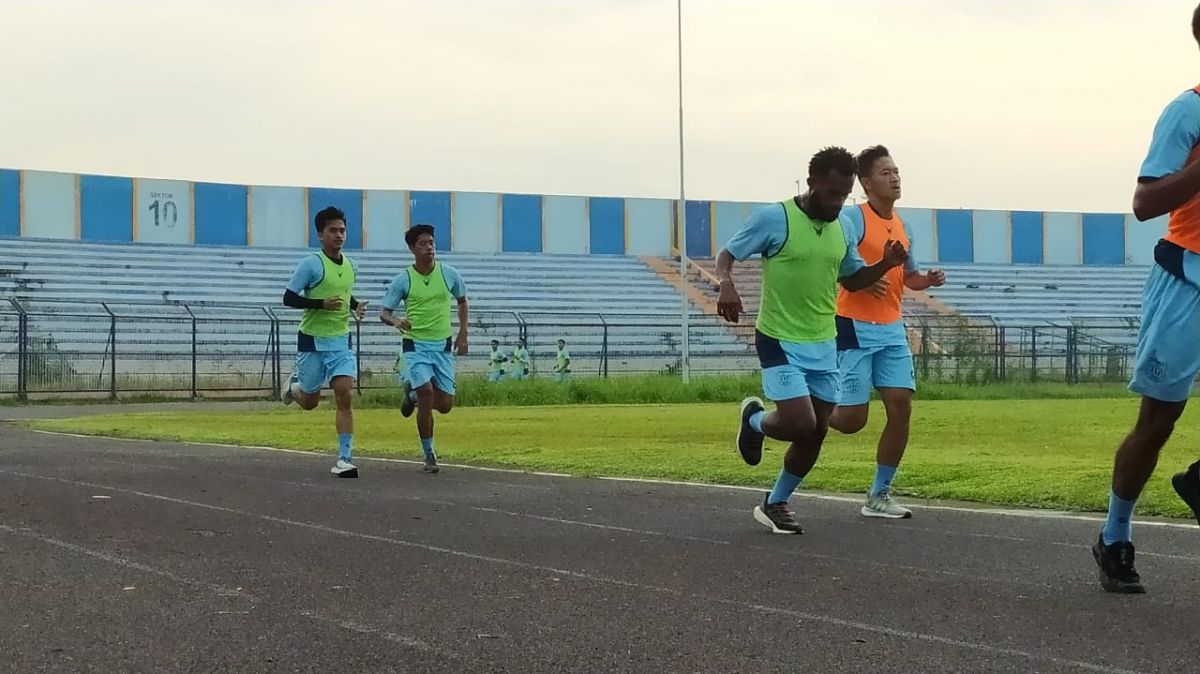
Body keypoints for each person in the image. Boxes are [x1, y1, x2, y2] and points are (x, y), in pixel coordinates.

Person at [716, 147, 908, 535]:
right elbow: (727, 254)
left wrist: (885, 265)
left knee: (818, 430)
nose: (838, 203)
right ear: (812, 184)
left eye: (844, 195)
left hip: (824, 340)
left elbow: (851, 278)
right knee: (800, 422)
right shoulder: (776, 218)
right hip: (780, 338)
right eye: (831, 194)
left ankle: (776, 502)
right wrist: (726, 283)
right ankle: (754, 421)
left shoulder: (841, 228)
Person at [1094, 2, 1200, 594]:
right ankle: (1114, 535)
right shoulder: (1188, 109)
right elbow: (1145, 203)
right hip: (1187, 277)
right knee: (1158, 421)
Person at [828, 145, 946, 519]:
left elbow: (907, 276)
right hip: (853, 325)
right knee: (851, 421)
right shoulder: (851, 219)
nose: (895, 178)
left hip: (891, 326)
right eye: (885, 172)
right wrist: (867, 277)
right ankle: (804, 410)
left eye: (896, 171)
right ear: (865, 183)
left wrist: (926, 279)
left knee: (900, 405)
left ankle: (879, 494)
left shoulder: (903, 225)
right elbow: (839, 267)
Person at [280, 206, 367, 478]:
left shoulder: (351, 265)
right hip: (312, 341)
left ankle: (345, 458)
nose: (339, 235)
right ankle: (293, 388)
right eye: (333, 231)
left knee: (344, 392)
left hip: (340, 339)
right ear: (320, 234)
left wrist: (354, 306)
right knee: (310, 401)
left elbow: (343, 293)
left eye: (342, 230)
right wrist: (320, 304)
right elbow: (289, 298)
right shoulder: (311, 264)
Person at [380, 224, 469, 474]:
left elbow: (462, 301)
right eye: (422, 244)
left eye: (431, 243)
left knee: (445, 404)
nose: (429, 248)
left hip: (442, 347)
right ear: (412, 248)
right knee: (427, 392)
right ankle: (429, 454)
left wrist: (463, 332)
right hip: (415, 345)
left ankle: (411, 396)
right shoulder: (404, 279)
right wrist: (397, 321)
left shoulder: (449, 274)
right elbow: (384, 312)